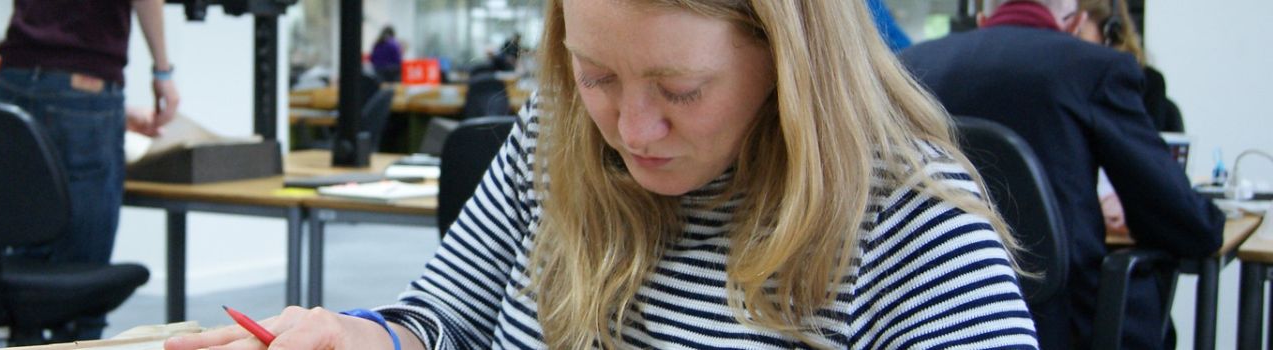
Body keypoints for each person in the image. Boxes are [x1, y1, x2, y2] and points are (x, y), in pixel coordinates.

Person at [169, 0, 1037, 348]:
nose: (630, 130)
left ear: (792, 63)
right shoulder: (556, 132)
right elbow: (449, 319)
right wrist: (375, 337)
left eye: (681, 90)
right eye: (596, 76)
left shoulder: (912, 227)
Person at [899, 0, 1225, 347]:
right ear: (1075, 24)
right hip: (1065, 324)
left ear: (982, 19)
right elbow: (1177, 218)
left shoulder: (913, 67)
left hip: (935, 313)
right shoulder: (1095, 68)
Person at [0, 0, 179, 340]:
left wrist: (109, 116)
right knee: (86, 268)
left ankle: (26, 338)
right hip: (85, 75)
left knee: (25, 243)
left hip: (14, 77)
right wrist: (162, 72)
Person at [1075, 0, 1179, 133]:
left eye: (1078, 30)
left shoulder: (1147, 83)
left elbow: (1142, 148)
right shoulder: (1064, 80)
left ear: (1111, 29)